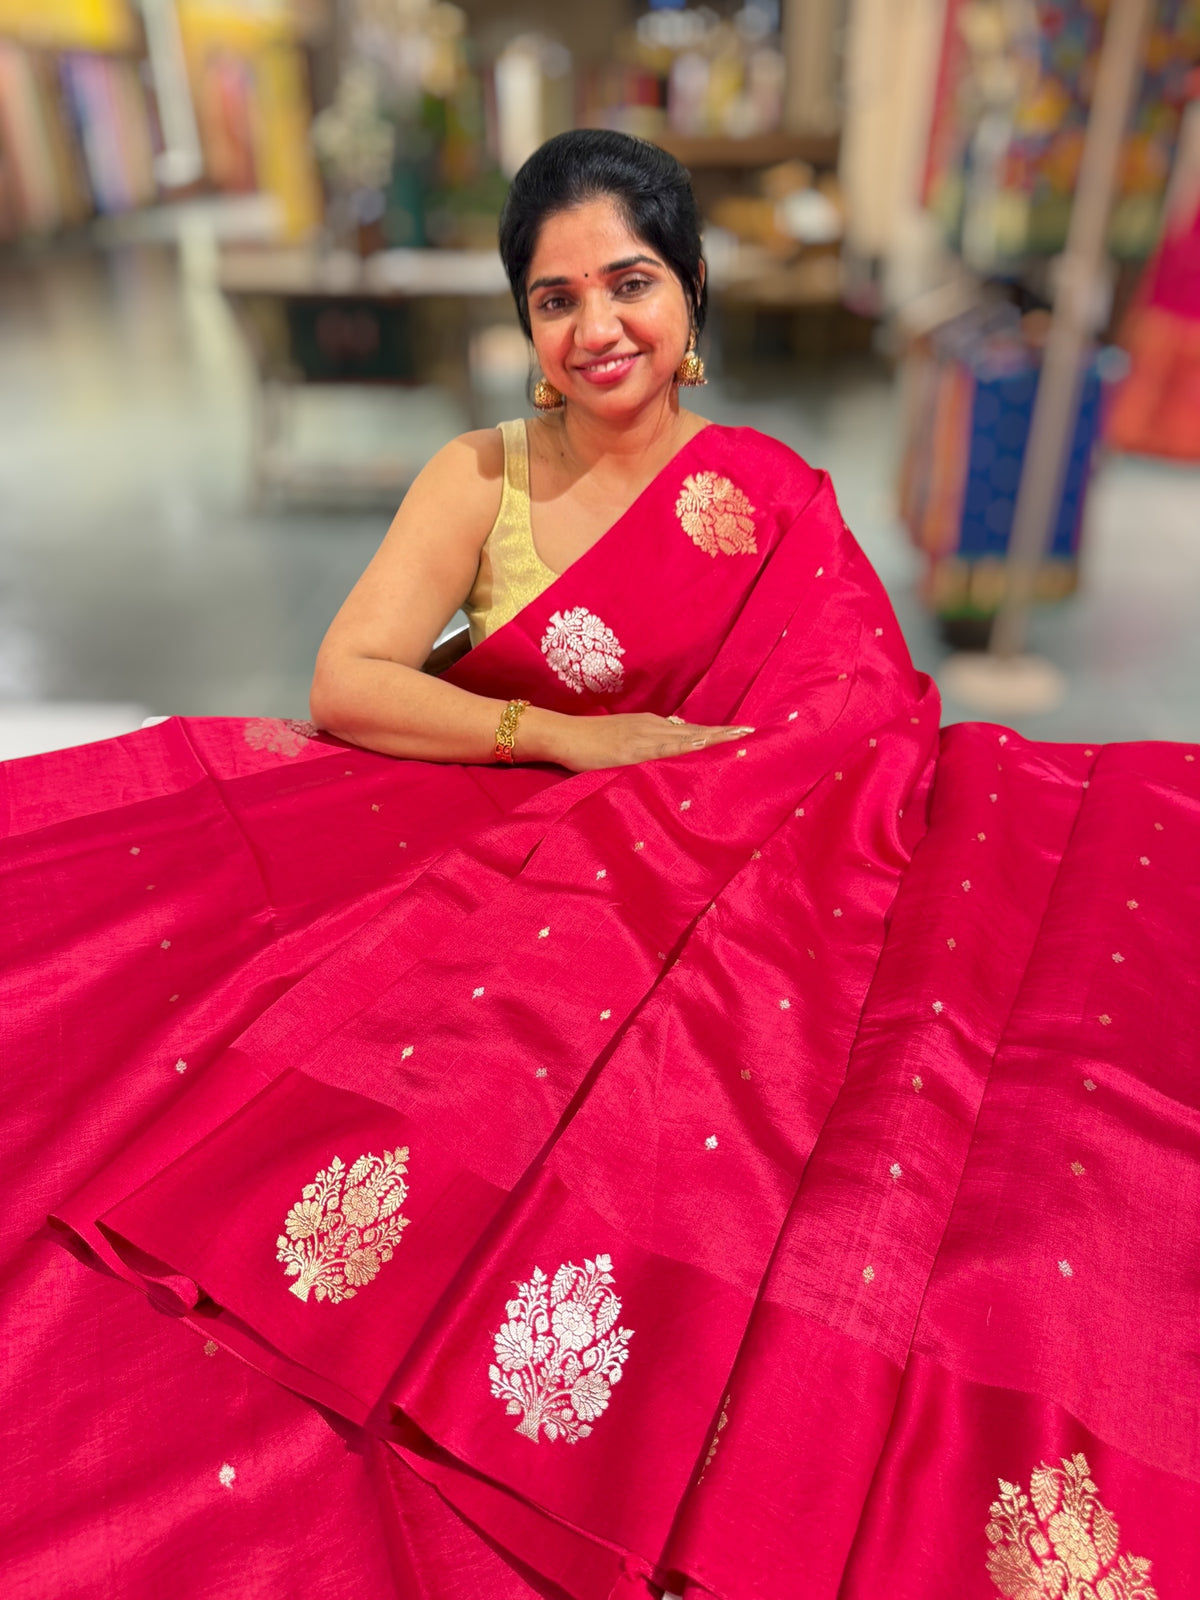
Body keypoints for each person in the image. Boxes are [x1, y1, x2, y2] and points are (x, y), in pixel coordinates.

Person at [2, 131, 1197, 1600]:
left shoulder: (768, 497)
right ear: (525, 330)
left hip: (753, 860)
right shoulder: (483, 476)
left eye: (629, 282)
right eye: (555, 300)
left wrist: (721, 802)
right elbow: (352, 682)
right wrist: (568, 742)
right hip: (513, 836)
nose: (597, 328)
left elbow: (863, 719)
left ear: (689, 290)